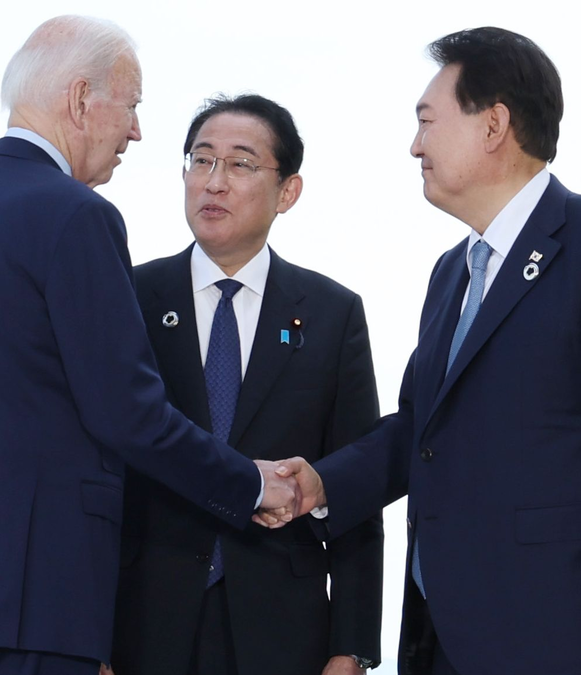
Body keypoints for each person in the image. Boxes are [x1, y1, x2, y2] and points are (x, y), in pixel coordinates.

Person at [0, 16, 298, 675]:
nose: (137, 131)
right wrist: (248, 482)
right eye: (133, 105)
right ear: (83, 98)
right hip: (35, 594)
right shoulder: (76, 215)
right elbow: (128, 413)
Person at [261, 27, 581, 675]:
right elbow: (420, 429)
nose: (414, 145)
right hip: (443, 635)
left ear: (494, 124)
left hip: (564, 630)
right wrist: (323, 483)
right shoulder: (451, 274)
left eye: (428, 121)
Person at [110, 95, 384, 675]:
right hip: (139, 624)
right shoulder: (129, 297)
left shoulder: (333, 315)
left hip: (284, 632)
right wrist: (87, 639)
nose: (213, 182)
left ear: (288, 191)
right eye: (200, 160)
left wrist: (351, 647)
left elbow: (357, 482)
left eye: (239, 164)